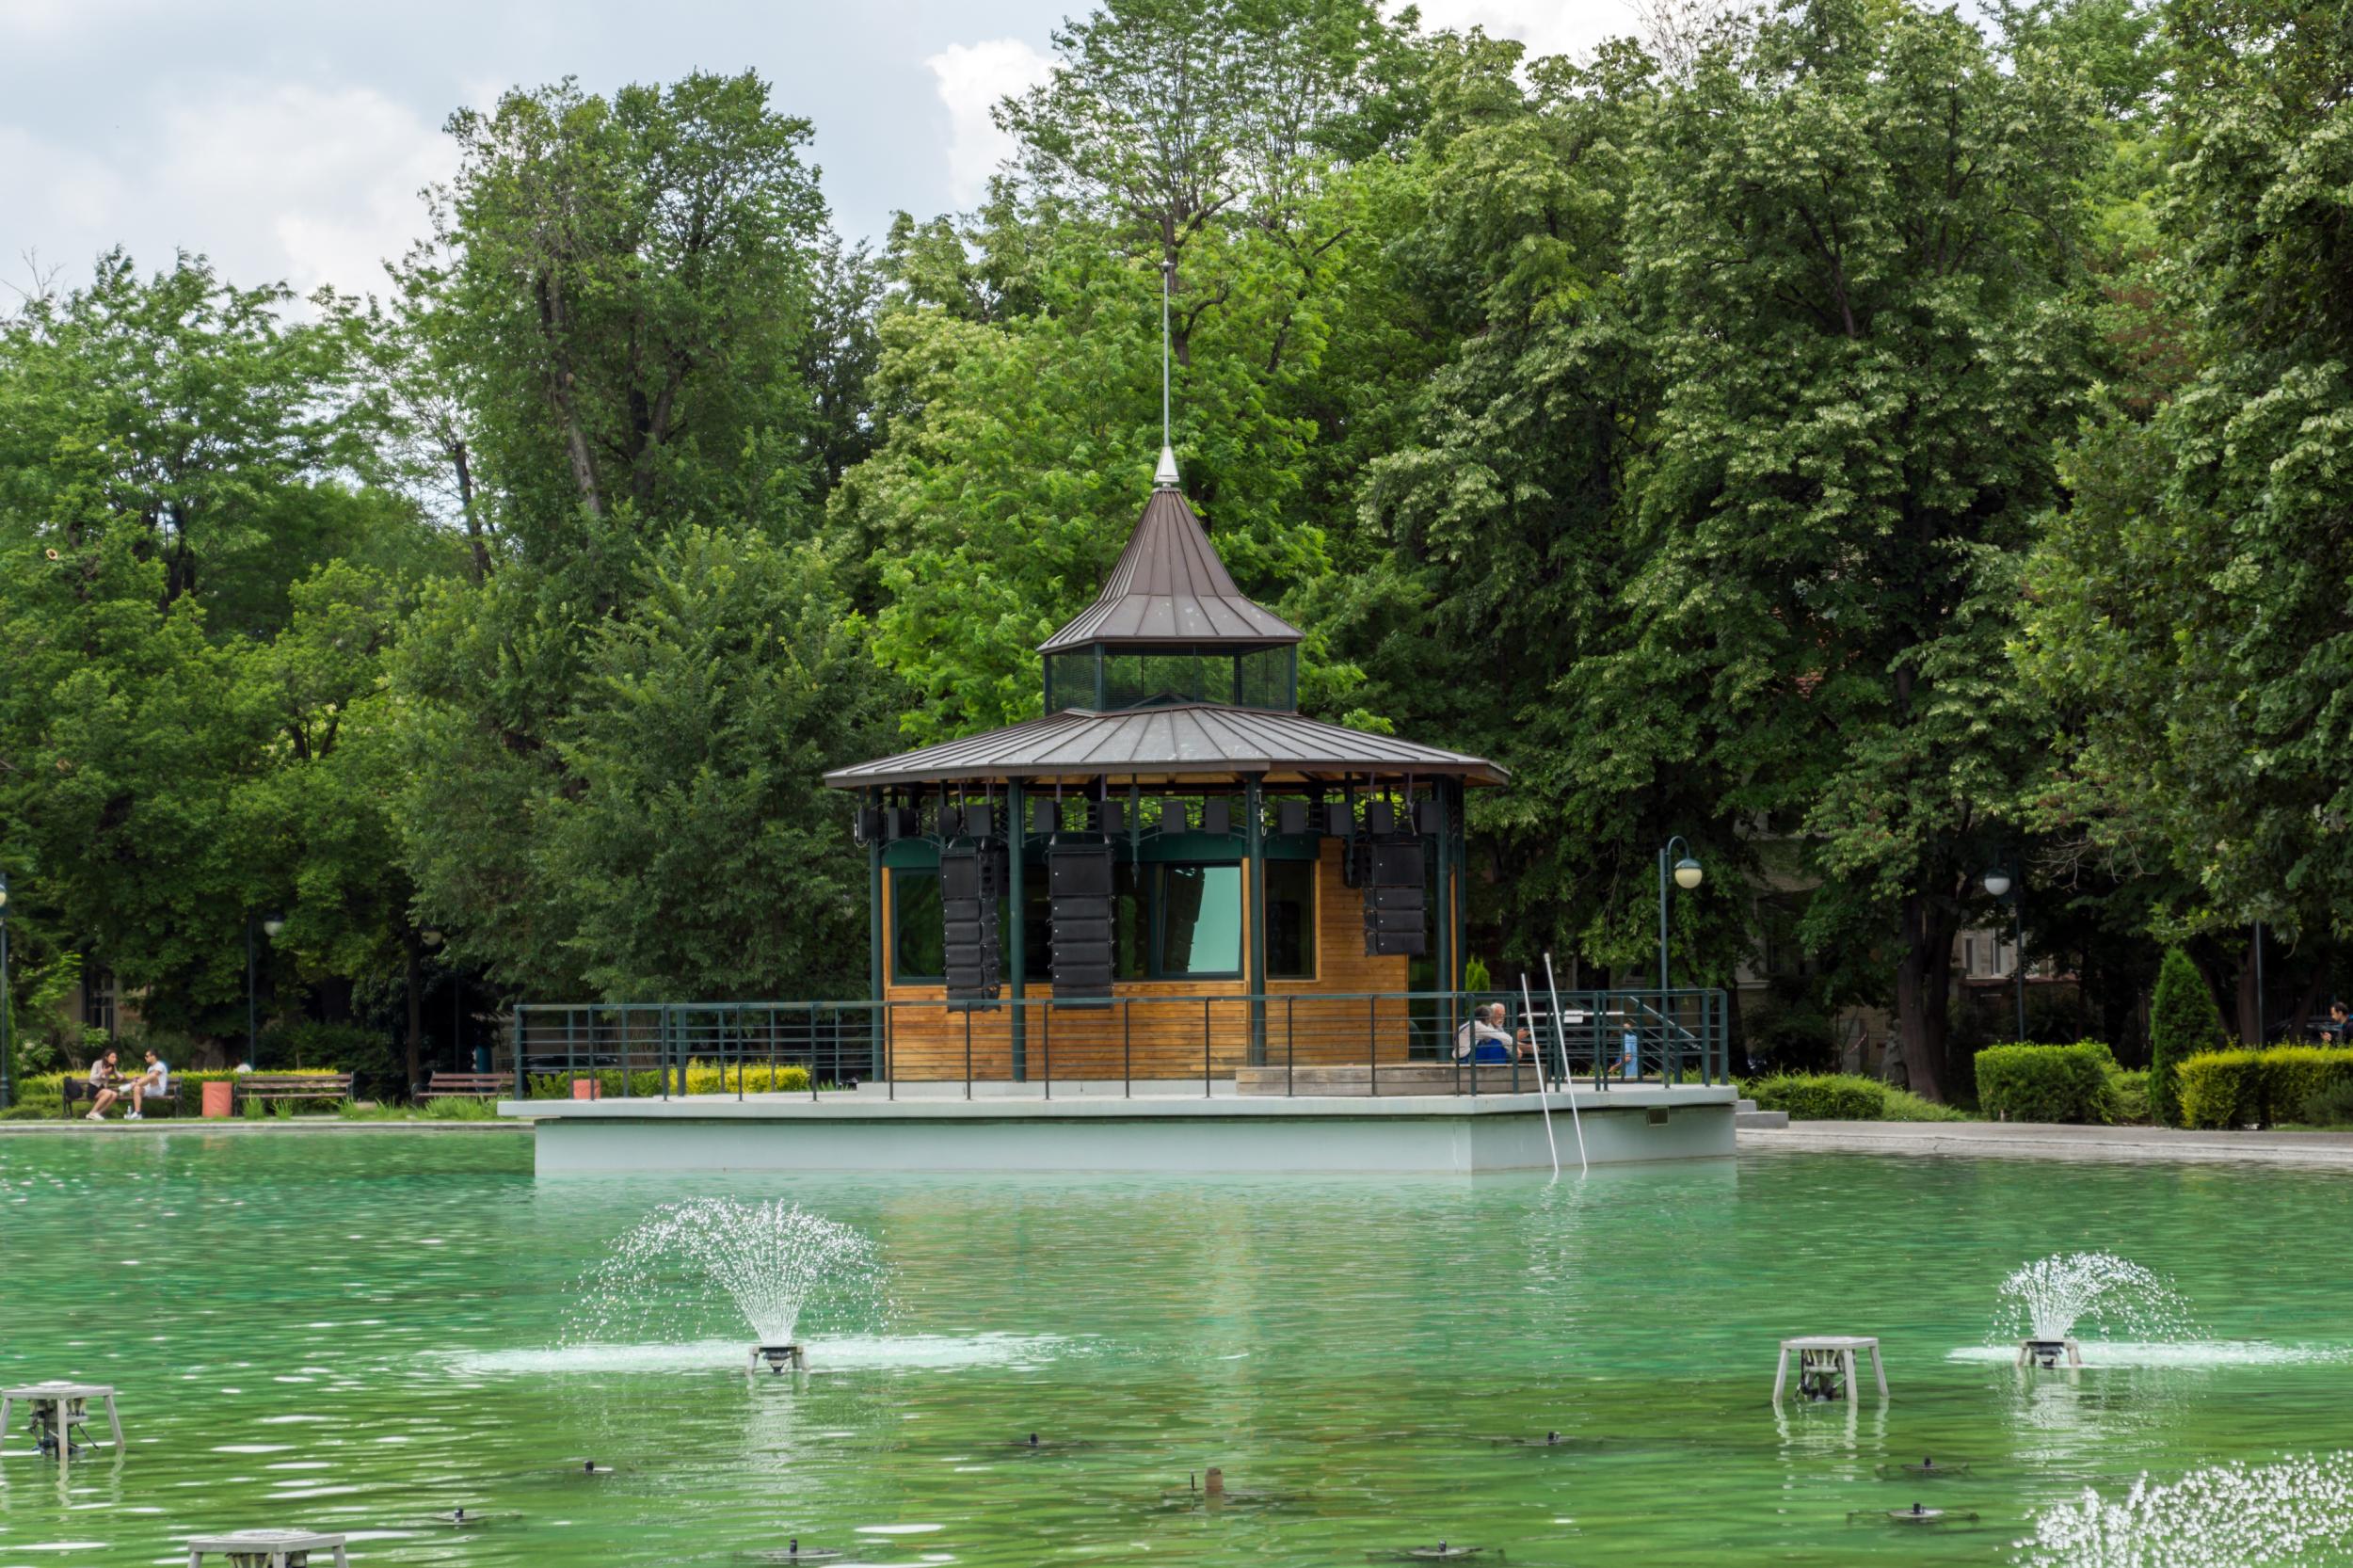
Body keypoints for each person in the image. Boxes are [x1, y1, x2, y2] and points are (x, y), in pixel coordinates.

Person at [1453, 1003, 1531, 1064]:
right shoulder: (1478, 1026)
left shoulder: (1470, 1024)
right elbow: (1500, 1037)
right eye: (1490, 1018)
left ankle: (1499, 1067)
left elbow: (1491, 1039)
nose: (1490, 1020)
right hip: (1466, 1059)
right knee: (1497, 1042)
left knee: (1497, 1043)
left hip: (1463, 1057)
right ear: (1486, 1018)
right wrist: (1516, 1039)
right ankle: (1497, 1069)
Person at [127, 1049, 169, 1120]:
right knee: (137, 1088)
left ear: (153, 1056)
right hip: (150, 1089)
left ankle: (131, 1086)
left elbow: (154, 1076)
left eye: (147, 1056)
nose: (145, 1058)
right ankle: (138, 1113)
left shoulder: (160, 1066)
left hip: (158, 1090)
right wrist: (139, 1079)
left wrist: (140, 1080)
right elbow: (147, 1081)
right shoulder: (150, 1068)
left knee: (153, 1076)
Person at [84, 1048, 121, 1121]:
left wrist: (122, 1077)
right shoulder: (97, 1064)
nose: (115, 1059)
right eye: (112, 1057)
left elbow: (118, 1075)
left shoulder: (112, 1067)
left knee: (114, 1095)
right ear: (106, 1058)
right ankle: (92, 1113)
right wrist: (102, 1073)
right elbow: (92, 1077)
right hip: (93, 1089)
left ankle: (97, 1113)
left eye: (115, 1057)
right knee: (108, 1092)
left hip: (102, 1090)